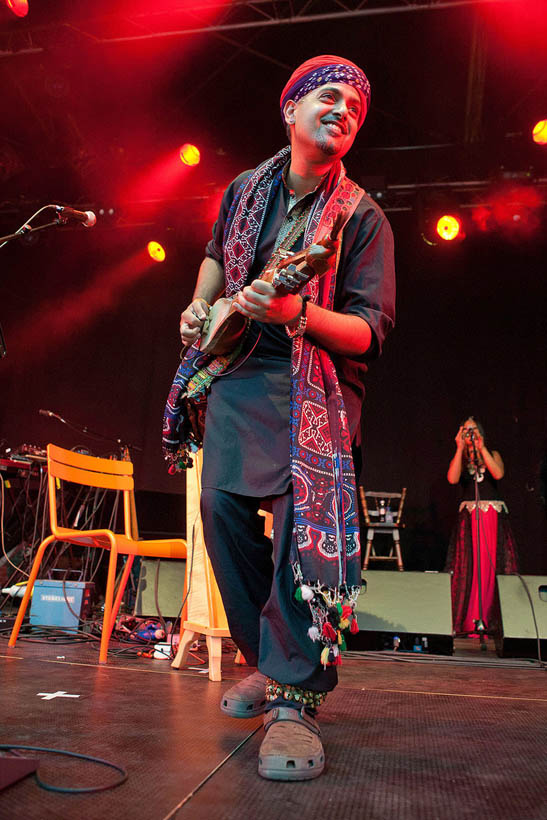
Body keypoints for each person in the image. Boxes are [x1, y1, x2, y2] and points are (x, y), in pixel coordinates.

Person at [163, 55, 395, 780]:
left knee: (302, 539)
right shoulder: (243, 190)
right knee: (222, 514)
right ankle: (266, 662)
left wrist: (299, 312)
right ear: (289, 110)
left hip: (314, 391)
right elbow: (213, 259)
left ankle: (294, 702)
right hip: (237, 374)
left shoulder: (361, 217)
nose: (344, 110)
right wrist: (201, 306)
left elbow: (367, 331)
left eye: (355, 107)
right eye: (329, 97)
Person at [445, 417, 518, 636]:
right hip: (470, 519)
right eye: (466, 431)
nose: (470, 434)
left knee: (490, 566)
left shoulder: (492, 454)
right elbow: (452, 478)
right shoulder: (461, 458)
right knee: (471, 566)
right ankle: (470, 621)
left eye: (473, 430)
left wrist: (481, 447)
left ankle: (489, 620)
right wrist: (459, 448)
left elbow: (498, 473)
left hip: (492, 518)